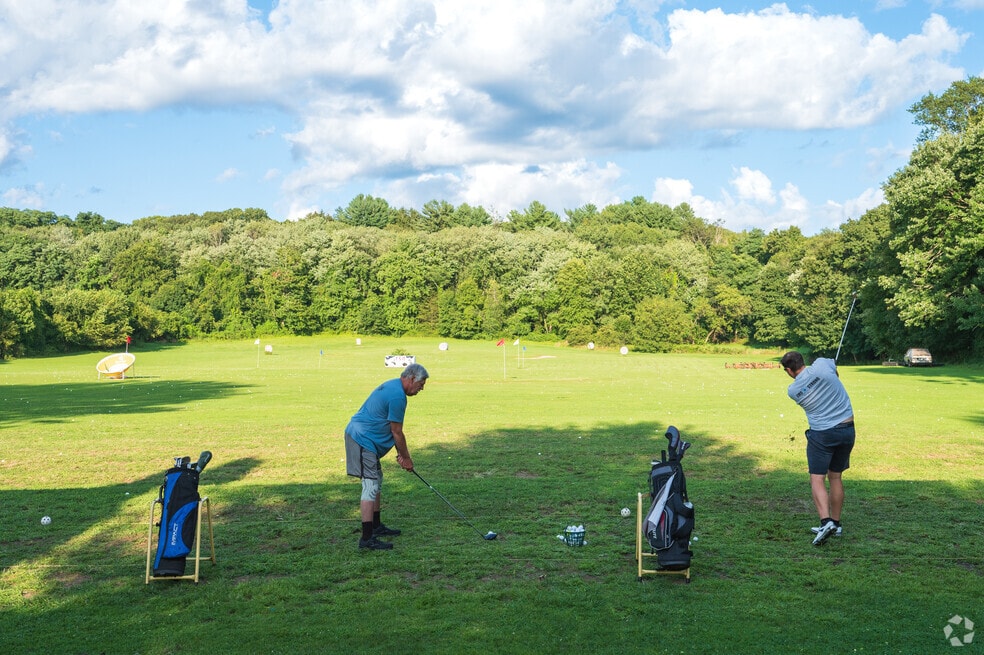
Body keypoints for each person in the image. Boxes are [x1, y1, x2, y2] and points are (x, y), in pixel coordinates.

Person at [345, 363, 429, 550]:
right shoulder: (397, 396)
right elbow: (396, 432)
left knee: (377, 479)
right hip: (361, 438)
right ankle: (367, 539)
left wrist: (401, 455)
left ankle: (376, 526)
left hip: (366, 439)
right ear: (411, 379)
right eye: (421, 384)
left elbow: (394, 431)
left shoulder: (394, 386)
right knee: (370, 484)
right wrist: (406, 458)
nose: (421, 388)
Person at [780, 351, 855, 546]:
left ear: (788, 370)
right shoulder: (822, 364)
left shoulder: (793, 390)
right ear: (802, 361)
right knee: (835, 477)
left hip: (822, 435)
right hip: (847, 429)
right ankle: (836, 524)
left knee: (817, 478)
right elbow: (835, 374)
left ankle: (825, 522)